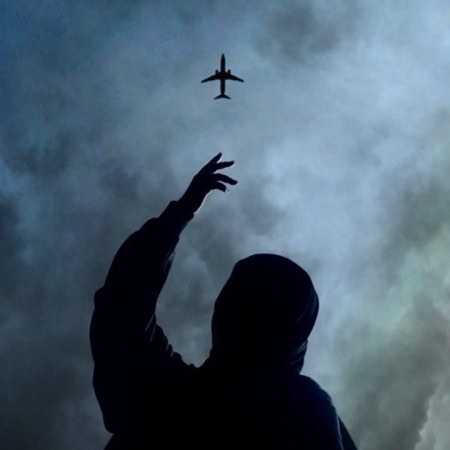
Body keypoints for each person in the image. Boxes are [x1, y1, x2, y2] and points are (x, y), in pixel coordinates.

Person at [90, 153, 358, 449]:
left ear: (223, 314)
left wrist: (180, 213)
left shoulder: (163, 400)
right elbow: (121, 311)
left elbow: (121, 310)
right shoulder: (308, 416)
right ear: (296, 339)